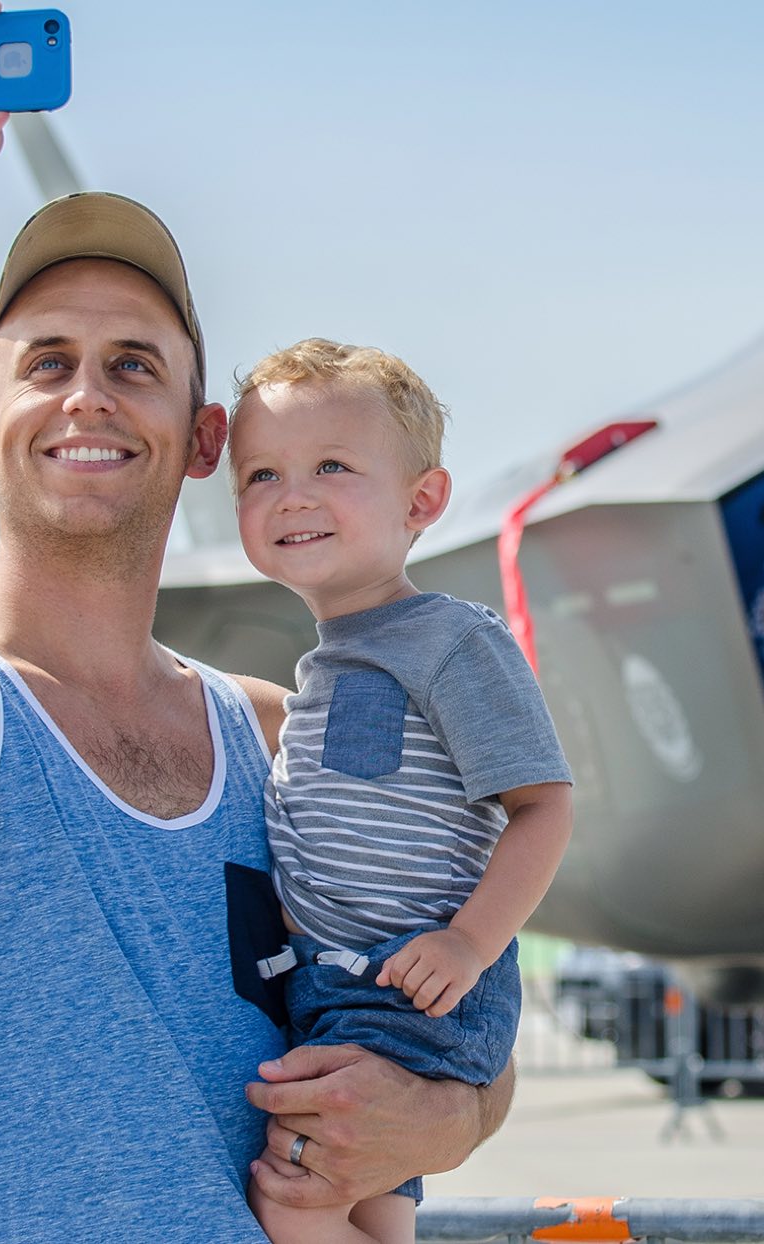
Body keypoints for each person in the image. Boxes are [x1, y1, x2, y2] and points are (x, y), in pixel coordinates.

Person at [0, 0, 508, 1242]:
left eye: (133, 364)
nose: (88, 394)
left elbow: (460, 1005)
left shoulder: (285, 735)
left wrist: (453, 1119)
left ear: (203, 440)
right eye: (47, 363)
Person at [226, 340, 574, 1244]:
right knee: (371, 1213)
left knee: (292, 1199)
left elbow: (543, 806)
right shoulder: (324, 673)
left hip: (414, 986)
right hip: (341, 986)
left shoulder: (452, 642)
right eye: (261, 474)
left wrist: (469, 941)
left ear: (422, 500)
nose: (291, 494)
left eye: (332, 466)